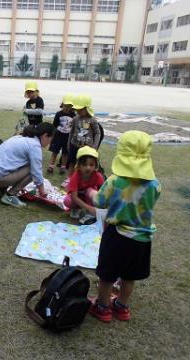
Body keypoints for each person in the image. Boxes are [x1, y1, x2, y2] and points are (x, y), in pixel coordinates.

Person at [89, 131, 160, 323]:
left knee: (107, 275)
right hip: (142, 239)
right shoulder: (154, 184)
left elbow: (100, 202)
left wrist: (91, 192)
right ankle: (121, 306)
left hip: (118, 236)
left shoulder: (114, 181)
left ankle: (102, 307)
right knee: (130, 276)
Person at [0, 122, 55, 208]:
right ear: (45, 135)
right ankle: (10, 196)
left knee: (26, 164)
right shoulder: (34, 146)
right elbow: (37, 172)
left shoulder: (21, 137)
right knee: (32, 169)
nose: (50, 142)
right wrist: (43, 193)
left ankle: (2, 189)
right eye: (51, 139)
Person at [63, 93, 101, 188]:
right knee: (71, 162)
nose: (78, 111)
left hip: (87, 148)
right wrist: (68, 144)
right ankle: (69, 179)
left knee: (83, 165)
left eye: (80, 109)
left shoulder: (92, 120)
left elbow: (97, 133)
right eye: (77, 109)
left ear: (87, 108)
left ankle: (81, 181)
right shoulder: (75, 119)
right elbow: (71, 132)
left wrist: (94, 147)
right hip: (74, 145)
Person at [63, 146, 104, 225]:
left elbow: (103, 193)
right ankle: (76, 208)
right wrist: (89, 208)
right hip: (77, 199)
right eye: (84, 165)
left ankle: (91, 213)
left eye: (91, 165)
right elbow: (74, 197)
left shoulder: (98, 176)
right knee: (67, 201)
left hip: (90, 199)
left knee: (92, 192)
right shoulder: (75, 177)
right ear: (78, 165)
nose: (88, 168)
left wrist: (97, 208)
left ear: (96, 166)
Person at [48, 93, 76, 174]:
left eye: (69, 106)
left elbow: (73, 128)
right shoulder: (58, 114)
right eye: (66, 105)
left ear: (72, 107)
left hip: (68, 137)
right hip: (58, 136)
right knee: (55, 151)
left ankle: (63, 166)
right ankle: (51, 166)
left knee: (65, 153)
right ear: (62, 104)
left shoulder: (74, 115)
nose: (67, 108)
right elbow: (54, 125)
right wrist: (52, 136)